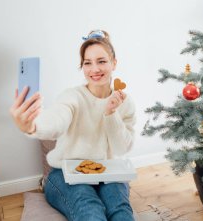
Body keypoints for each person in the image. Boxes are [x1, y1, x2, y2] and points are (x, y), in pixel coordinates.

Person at [10, 30, 136, 221]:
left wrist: (111, 113)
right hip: (65, 174)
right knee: (90, 211)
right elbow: (56, 120)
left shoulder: (125, 102)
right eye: (87, 63)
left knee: (120, 211)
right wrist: (32, 126)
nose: (94, 69)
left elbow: (121, 148)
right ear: (82, 66)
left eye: (101, 61)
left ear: (114, 63)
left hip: (109, 171)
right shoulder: (72, 97)